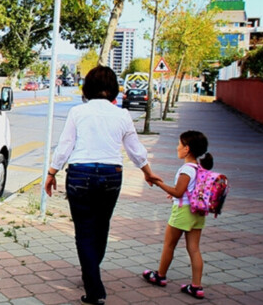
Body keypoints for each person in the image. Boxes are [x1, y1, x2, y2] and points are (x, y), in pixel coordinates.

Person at [45, 66, 161, 305]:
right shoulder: (122, 115)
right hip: (111, 175)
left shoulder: (78, 112)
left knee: (84, 232)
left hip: (80, 174)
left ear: (87, 88)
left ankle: (94, 286)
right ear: (114, 89)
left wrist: (52, 172)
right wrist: (147, 173)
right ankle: (92, 273)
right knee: (101, 226)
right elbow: (135, 149)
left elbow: (65, 145)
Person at [142, 130, 213, 299]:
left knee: (169, 245)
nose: (177, 147)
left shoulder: (186, 169)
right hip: (198, 213)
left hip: (183, 213)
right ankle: (196, 286)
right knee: (194, 249)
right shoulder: (199, 167)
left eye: (179, 144)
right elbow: (190, 190)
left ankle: (160, 276)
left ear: (187, 149)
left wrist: (158, 183)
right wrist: (175, 192)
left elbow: (178, 192)